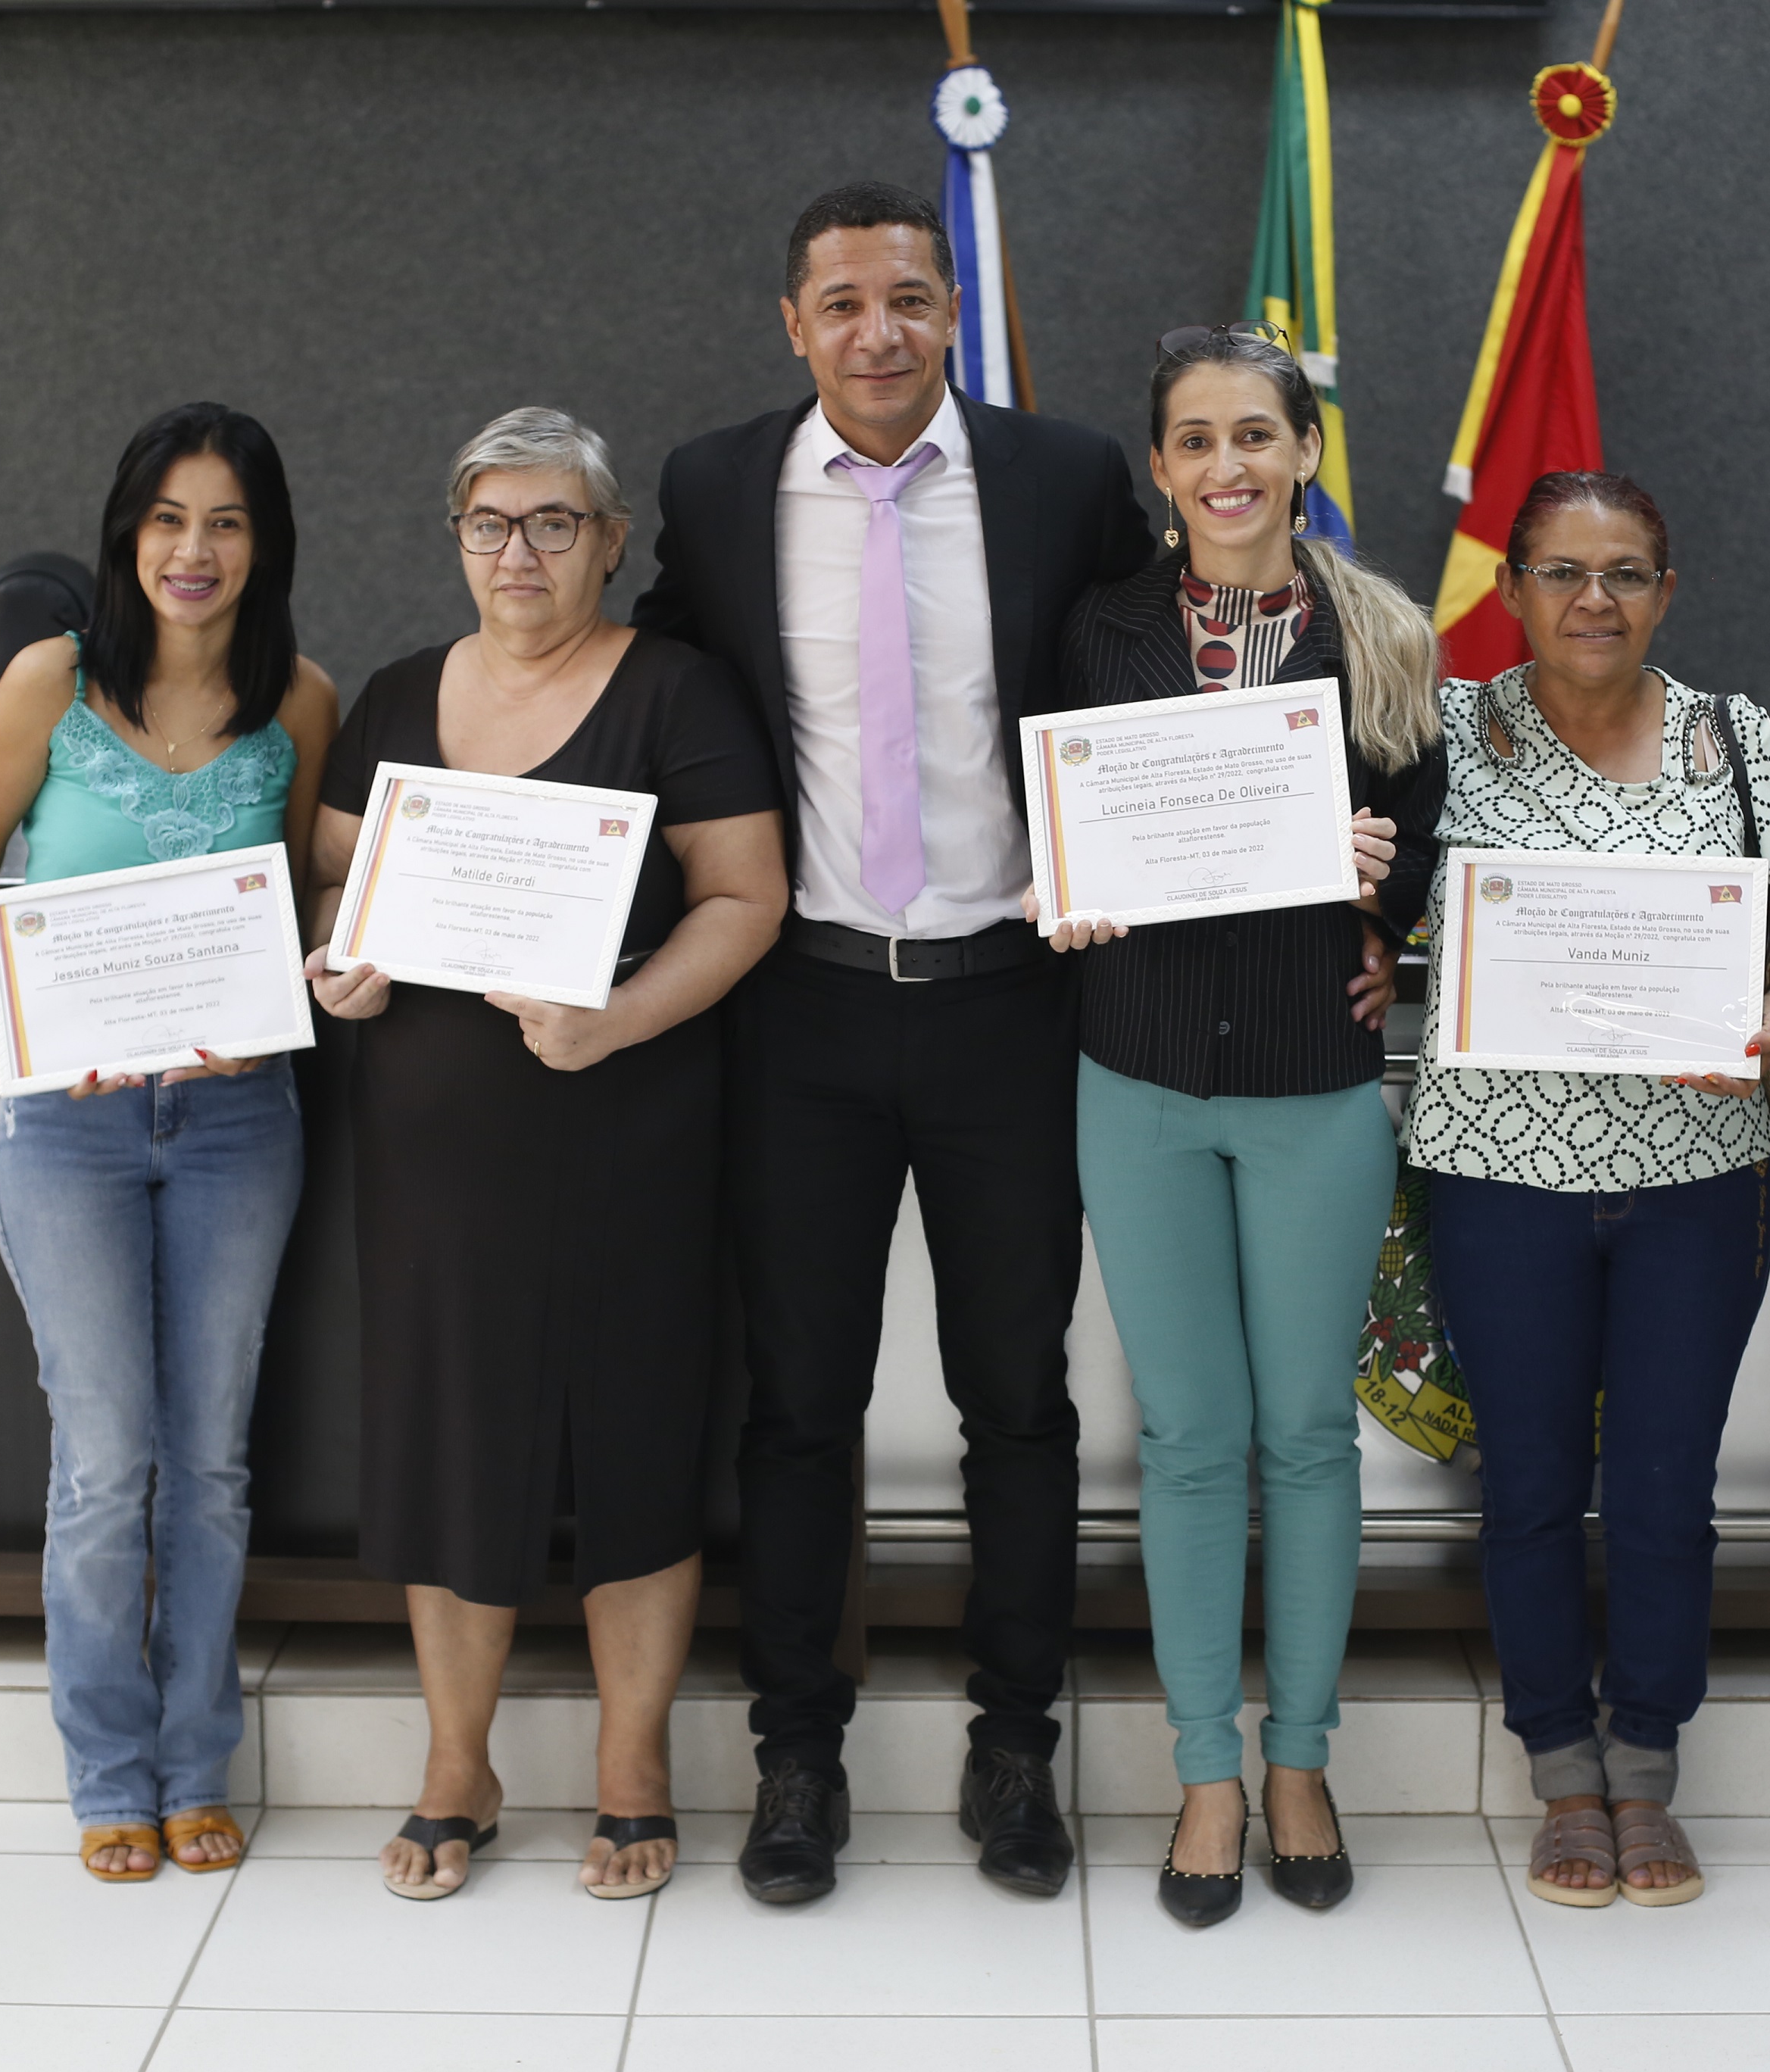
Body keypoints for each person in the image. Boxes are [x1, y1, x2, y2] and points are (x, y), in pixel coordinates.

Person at [631, 181, 1154, 1905]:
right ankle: (799, 1756)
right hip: (803, 1007)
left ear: (955, 315)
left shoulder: (1069, 477)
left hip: (1012, 1000)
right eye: (843, 303)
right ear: (792, 324)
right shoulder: (714, 487)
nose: (879, 332)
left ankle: (1017, 1746)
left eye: (911, 299)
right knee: (799, 1404)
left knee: (1018, 1398)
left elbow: (1156, 701)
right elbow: (663, 721)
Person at [304, 408, 787, 1905]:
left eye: (553, 523)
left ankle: (632, 1763)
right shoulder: (390, 698)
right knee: (449, 1447)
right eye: (490, 524)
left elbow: (747, 896)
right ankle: (460, 1761)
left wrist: (624, 1017)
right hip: (438, 1162)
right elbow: (337, 877)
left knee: (641, 1440)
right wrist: (347, 961)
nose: (519, 552)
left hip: (631, 1135)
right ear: (456, 537)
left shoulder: (677, 694)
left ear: (611, 539)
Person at [1405, 470, 1770, 1911]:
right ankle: (1563, 1767)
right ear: (1512, 593)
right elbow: (1361, 899)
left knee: (1672, 1487)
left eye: (1625, 574)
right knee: (1533, 1487)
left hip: (1695, 1182)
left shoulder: (1734, 741)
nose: (1594, 601)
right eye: (1561, 572)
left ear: (1667, 593)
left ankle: (1648, 1763)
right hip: (1503, 1174)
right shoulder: (1444, 737)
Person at [1035, 323, 1441, 1926]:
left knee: (1303, 1436)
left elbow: (1429, 845)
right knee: (1192, 1440)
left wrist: (1380, 896)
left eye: (1257, 436)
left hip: (1311, 1090)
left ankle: (1301, 1760)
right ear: (1159, 466)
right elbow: (1059, 823)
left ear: (1307, 453)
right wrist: (1061, 898)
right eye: (1195, 440)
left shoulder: (1388, 634)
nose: (1228, 469)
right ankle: (1206, 1770)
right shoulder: (1100, 629)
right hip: (1134, 1079)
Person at [0, 401, 339, 1883]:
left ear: (264, 544)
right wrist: (46, 1006)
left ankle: (194, 1765)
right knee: (108, 1461)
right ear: (128, 533)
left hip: (240, 1119)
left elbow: (302, 895)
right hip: (71, 1126)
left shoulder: (297, 697)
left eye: (226, 522)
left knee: (213, 1464)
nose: (194, 549)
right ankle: (110, 1770)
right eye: (168, 519)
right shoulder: (53, 681)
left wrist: (297, 976)